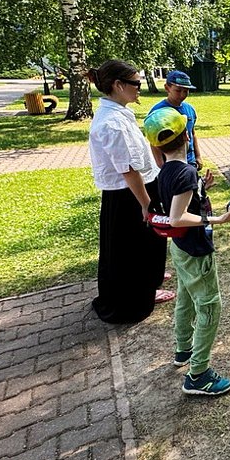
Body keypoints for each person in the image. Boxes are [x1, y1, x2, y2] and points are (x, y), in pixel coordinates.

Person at [144, 107, 230, 396]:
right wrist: (218, 219)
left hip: (180, 248)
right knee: (210, 306)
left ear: (158, 146)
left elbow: (180, 201)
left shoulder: (166, 172)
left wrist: (201, 187)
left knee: (186, 298)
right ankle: (198, 375)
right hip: (196, 250)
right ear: (187, 136)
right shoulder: (186, 172)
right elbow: (177, 218)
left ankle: (183, 349)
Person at [87, 59, 175, 324]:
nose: (140, 87)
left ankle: (150, 280)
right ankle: (140, 294)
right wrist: (146, 203)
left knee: (148, 244)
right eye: (136, 83)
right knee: (135, 249)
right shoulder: (112, 122)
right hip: (130, 194)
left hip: (138, 188)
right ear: (118, 85)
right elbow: (128, 169)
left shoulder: (118, 113)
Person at [148, 70, 203, 170]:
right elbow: (154, 141)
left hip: (190, 162)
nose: (182, 95)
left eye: (186, 91)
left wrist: (198, 156)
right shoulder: (158, 112)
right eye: (178, 90)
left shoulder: (189, 109)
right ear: (167, 88)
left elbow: (192, 133)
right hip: (170, 164)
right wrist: (161, 165)